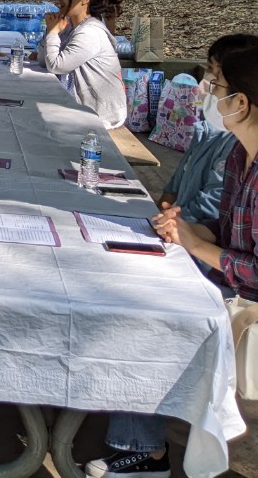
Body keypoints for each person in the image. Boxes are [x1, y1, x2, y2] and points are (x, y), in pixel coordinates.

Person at [89, 44, 258, 478]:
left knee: (142, 312)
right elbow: (225, 226)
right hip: (225, 276)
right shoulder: (239, 155)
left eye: (216, 84)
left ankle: (145, 451)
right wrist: (184, 230)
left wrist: (196, 245)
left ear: (241, 102)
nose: (206, 91)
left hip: (243, 298)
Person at [159, 34, 258, 226]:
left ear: (240, 101)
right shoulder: (234, 152)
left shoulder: (239, 148)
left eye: (216, 78)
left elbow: (214, 209)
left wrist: (182, 229)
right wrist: (170, 221)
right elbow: (225, 230)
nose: (210, 88)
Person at [40, 0, 126, 129]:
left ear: (85, 0)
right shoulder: (71, 26)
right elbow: (42, 60)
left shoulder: (90, 32)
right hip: (81, 106)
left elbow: (55, 66)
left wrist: (53, 33)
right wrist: (50, 31)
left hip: (101, 114)